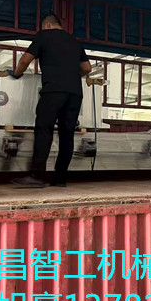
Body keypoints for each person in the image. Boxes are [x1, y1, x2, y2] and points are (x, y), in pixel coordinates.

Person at [8, 14, 92, 188]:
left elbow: (24, 60)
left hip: (53, 91)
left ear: (46, 25)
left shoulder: (43, 36)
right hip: (75, 93)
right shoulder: (75, 42)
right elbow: (87, 68)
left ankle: (37, 176)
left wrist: (16, 74)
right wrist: (71, 75)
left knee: (44, 130)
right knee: (67, 134)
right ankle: (60, 178)